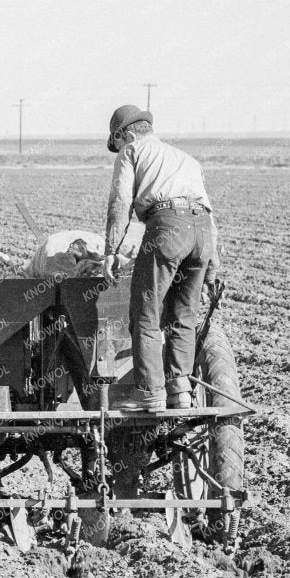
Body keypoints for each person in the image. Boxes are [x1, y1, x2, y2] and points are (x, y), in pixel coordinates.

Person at [100, 105, 218, 412]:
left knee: (146, 313)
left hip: (167, 227)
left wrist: (111, 251)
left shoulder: (132, 152)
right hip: (201, 233)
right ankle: (180, 391)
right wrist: (210, 272)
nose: (120, 149)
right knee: (184, 316)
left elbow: (120, 201)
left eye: (119, 143)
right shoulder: (187, 159)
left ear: (124, 134)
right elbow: (208, 212)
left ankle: (150, 393)